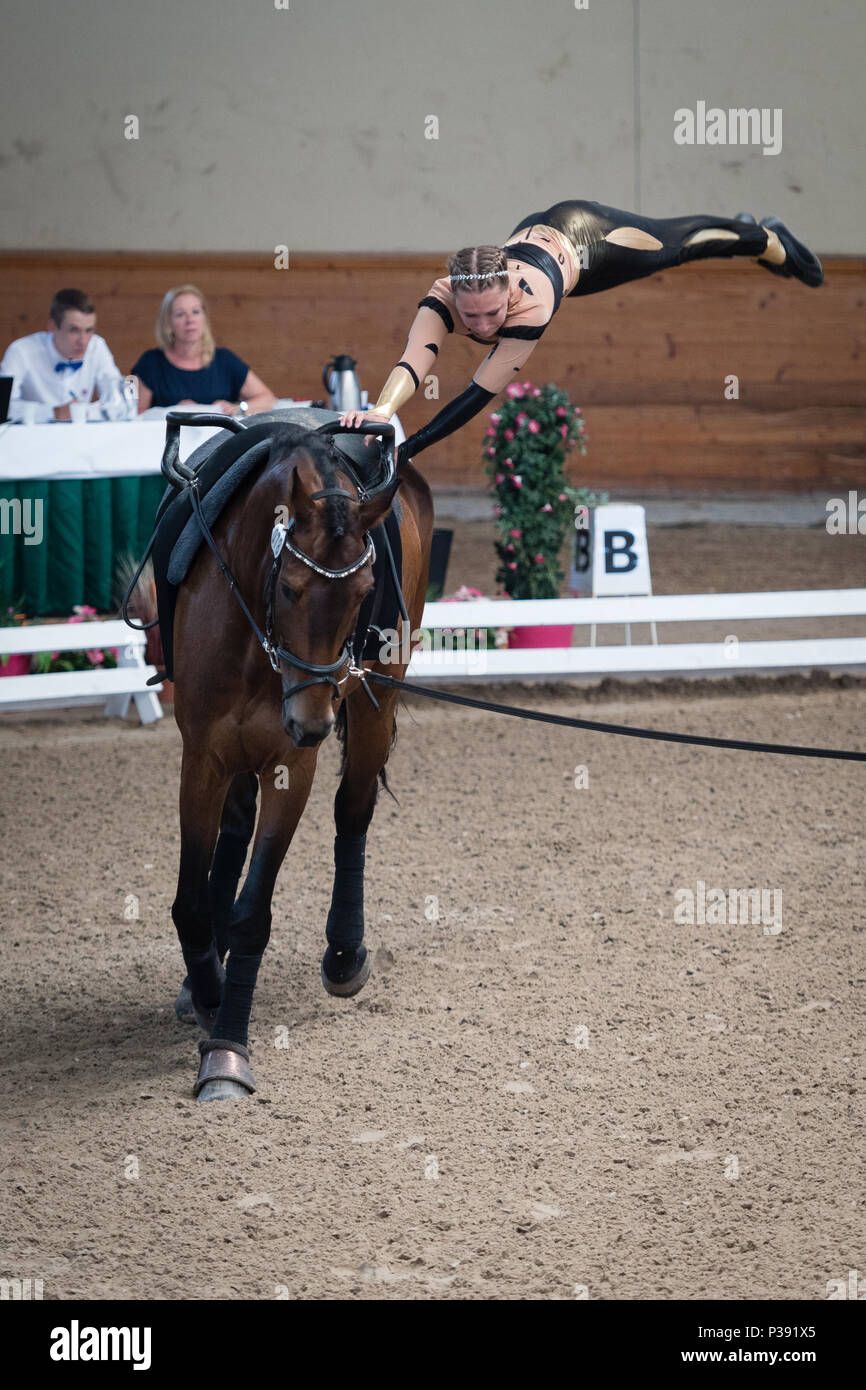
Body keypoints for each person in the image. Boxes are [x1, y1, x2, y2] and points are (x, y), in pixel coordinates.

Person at [340, 201, 823, 460]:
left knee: (676, 246)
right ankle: (740, 231)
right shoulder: (445, 292)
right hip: (541, 241)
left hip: (590, 239)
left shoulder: (531, 305)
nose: (486, 327)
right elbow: (413, 362)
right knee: (679, 247)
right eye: (472, 319)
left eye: (494, 313)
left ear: (509, 287)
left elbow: (475, 394)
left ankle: (764, 238)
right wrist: (381, 410)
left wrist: (409, 450)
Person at [131, 284, 276, 415]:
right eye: (180, 314)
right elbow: (135, 413)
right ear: (168, 323)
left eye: (195, 312)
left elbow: (268, 399)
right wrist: (172, 411)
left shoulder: (225, 359)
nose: (190, 320)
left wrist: (238, 408)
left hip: (221, 442)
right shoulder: (150, 362)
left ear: (204, 318)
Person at [0, 288, 123, 422]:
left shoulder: (97, 347)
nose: (83, 341)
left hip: (81, 438)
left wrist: (83, 412)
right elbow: (4, 407)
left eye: (89, 330)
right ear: (52, 327)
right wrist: (52, 413)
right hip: (32, 438)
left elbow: (119, 401)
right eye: (74, 330)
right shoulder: (21, 351)